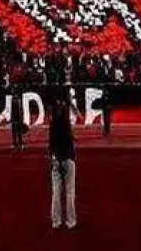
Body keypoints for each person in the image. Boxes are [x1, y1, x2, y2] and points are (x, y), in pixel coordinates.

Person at [49, 94, 76, 230]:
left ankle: (56, 221)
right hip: (68, 158)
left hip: (56, 159)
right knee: (70, 191)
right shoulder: (67, 126)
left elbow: (51, 144)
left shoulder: (53, 125)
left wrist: (53, 158)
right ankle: (71, 221)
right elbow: (70, 143)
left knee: (56, 191)